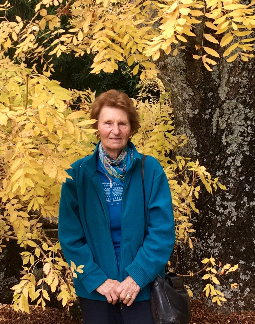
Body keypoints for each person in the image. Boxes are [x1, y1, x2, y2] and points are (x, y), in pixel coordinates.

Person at [58, 90, 175, 324]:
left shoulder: (150, 170)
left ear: (130, 128)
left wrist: (136, 277)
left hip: (142, 288)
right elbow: (70, 237)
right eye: (108, 123)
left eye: (122, 123)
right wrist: (97, 280)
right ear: (97, 127)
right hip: (95, 290)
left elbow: (161, 232)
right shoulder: (76, 175)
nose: (115, 130)